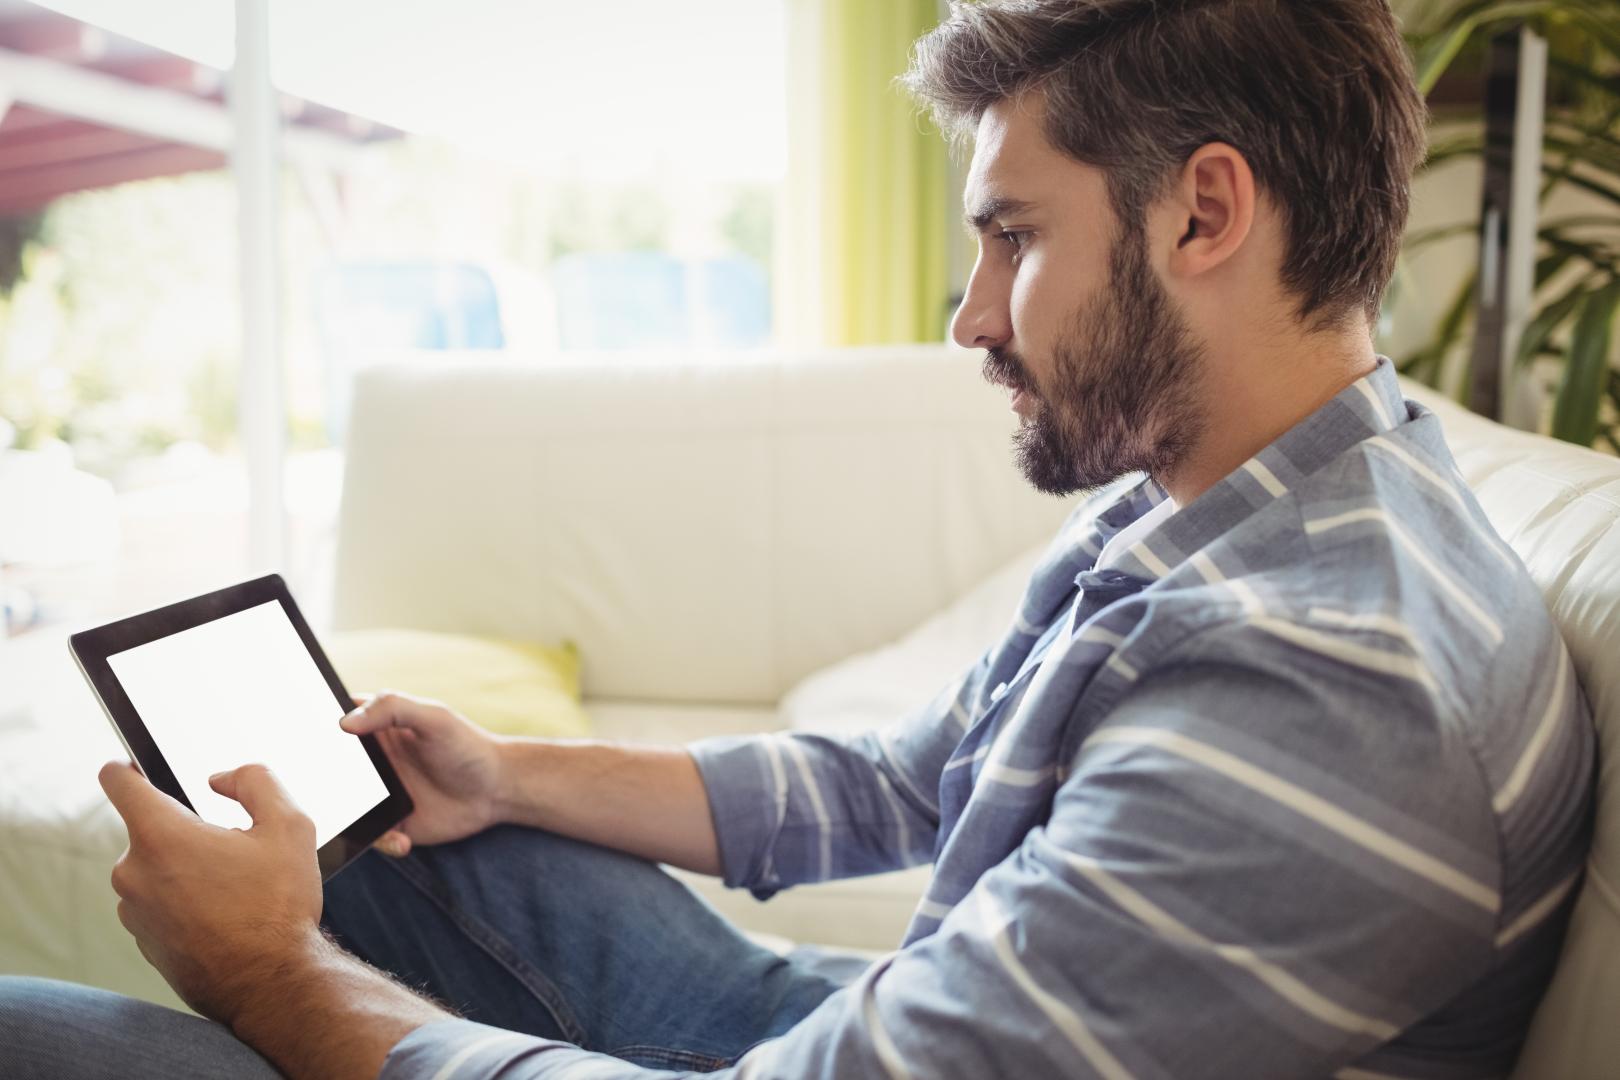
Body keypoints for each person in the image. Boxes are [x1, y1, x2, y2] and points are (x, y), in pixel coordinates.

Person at [0, 1, 1595, 1077]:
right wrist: (513, 768)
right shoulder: (1226, 504)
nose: (971, 315)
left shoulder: (1335, 691)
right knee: (423, 835)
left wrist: (277, 978)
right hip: (877, 1023)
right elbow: (907, 779)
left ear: (1205, 212)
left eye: (1015, 238)